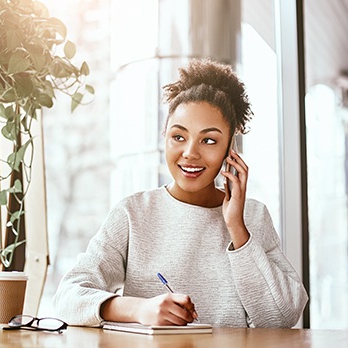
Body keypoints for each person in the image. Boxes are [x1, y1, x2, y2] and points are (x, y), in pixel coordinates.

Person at [53, 58, 308, 328]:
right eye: (178, 137)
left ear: (229, 147)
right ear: (164, 135)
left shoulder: (253, 216)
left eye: (209, 140)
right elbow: (68, 297)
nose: (190, 153)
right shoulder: (133, 214)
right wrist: (139, 309)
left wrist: (237, 228)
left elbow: (282, 317)